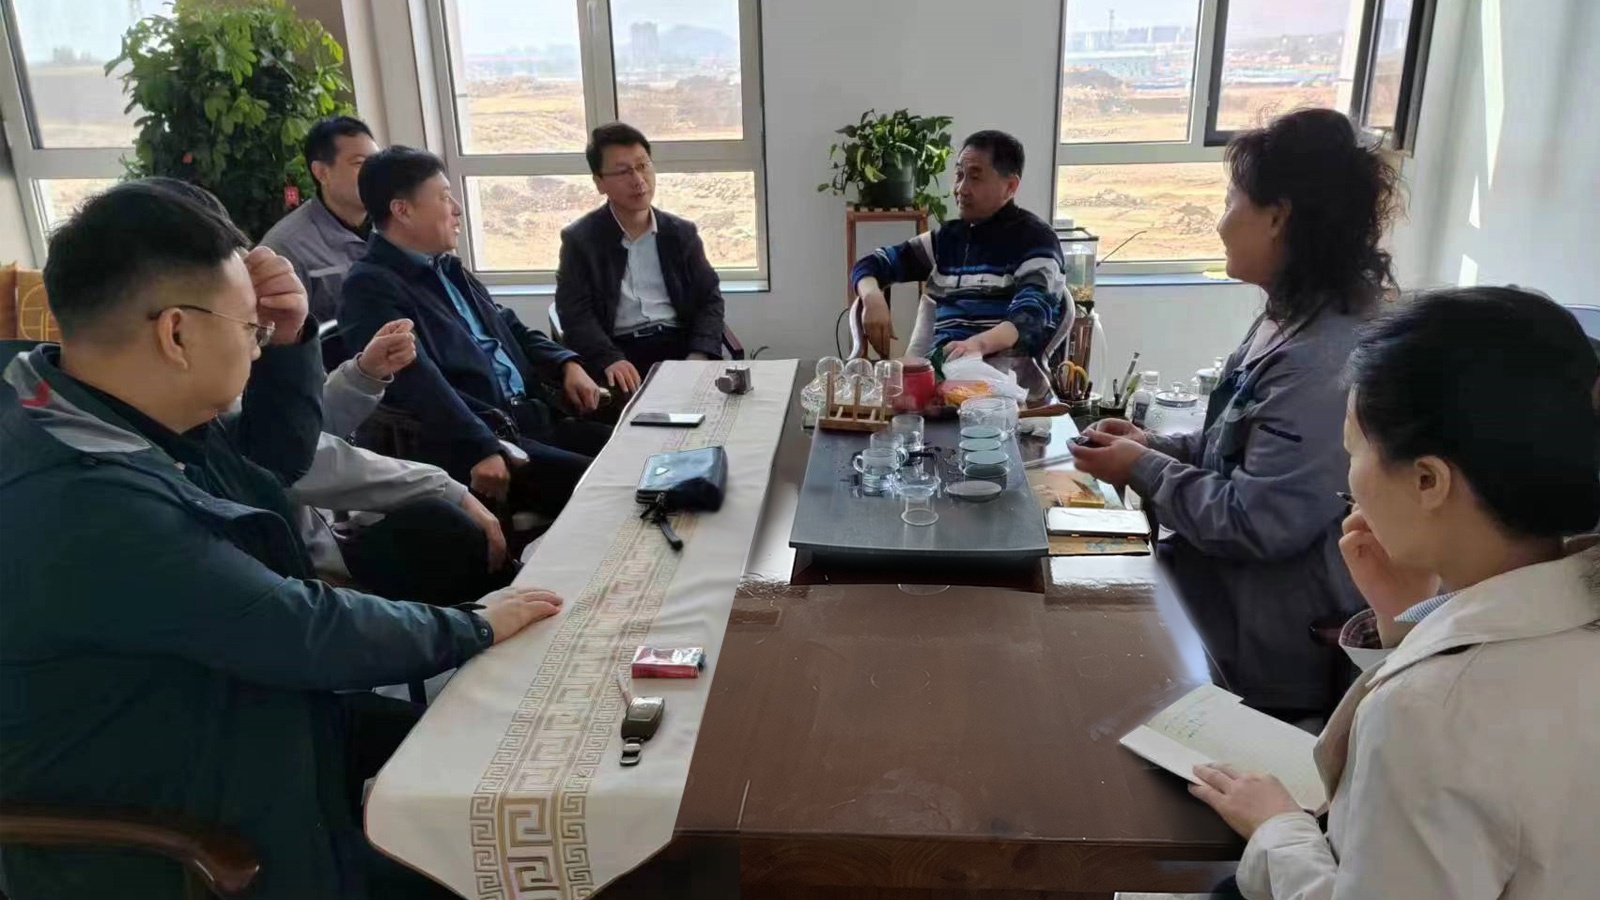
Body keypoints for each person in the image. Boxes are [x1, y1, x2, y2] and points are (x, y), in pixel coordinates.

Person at [0, 180, 564, 900]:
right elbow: (297, 627)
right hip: (193, 835)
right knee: (496, 859)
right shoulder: (80, 500)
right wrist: (475, 625)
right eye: (251, 329)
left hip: (248, 717)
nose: (256, 343)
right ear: (176, 334)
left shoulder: (98, 413)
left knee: (513, 754)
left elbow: (268, 467)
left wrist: (293, 340)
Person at [1189, 286, 1600, 898]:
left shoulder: (1426, 714)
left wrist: (1278, 829)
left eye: (1354, 451)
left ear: (1428, 480)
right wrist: (1404, 619)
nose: (1349, 480)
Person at [1070, 108, 1397, 717]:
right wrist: (1151, 445)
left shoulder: (1324, 360)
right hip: (1213, 605)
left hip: (1263, 656)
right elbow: (1234, 449)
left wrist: (1141, 467)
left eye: (1230, 202)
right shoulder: (1287, 317)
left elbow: (1258, 519)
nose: (1220, 224)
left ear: (1278, 217)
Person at [341, 146, 611, 517]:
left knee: (638, 450)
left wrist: (566, 363)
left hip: (531, 418)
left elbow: (508, 326)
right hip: (487, 440)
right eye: (443, 197)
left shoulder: (446, 267)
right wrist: (481, 445)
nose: (456, 209)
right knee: (612, 486)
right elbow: (419, 383)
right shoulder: (370, 288)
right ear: (402, 210)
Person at [300, 318, 515, 605]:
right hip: (307, 568)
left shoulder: (256, 357)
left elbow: (303, 430)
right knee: (445, 523)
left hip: (332, 529)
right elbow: (301, 457)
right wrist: (449, 489)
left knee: (439, 519)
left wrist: (364, 374)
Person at [850, 129, 1065, 372]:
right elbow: (872, 264)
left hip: (1004, 376)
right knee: (858, 383)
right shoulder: (948, 239)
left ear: (1010, 186)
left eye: (975, 177)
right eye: (959, 175)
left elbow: (1029, 317)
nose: (961, 188)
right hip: (942, 371)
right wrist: (872, 296)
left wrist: (976, 345)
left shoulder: (1036, 239)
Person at [554, 122, 726, 395]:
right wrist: (608, 358)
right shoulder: (580, 240)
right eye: (623, 171)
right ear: (599, 183)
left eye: (643, 166)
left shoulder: (681, 234)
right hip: (620, 351)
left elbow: (709, 299)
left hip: (679, 347)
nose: (638, 180)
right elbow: (575, 313)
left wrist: (699, 354)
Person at [260, 115, 380, 320]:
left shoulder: (396, 224)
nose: (375, 173)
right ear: (322, 173)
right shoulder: (286, 247)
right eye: (360, 163)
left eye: (377, 162)